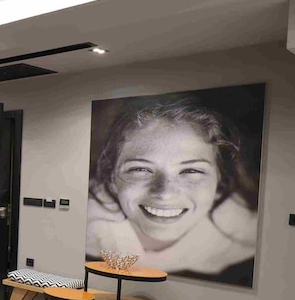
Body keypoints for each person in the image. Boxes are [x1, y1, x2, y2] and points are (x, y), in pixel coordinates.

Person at [86, 98, 258, 286]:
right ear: (111, 179)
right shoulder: (86, 221)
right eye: (140, 169)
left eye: (191, 170)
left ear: (220, 181)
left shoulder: (245, 236)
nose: (164, 193)